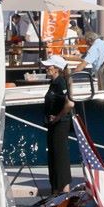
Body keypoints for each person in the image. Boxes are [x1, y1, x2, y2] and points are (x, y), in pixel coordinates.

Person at [42, 55, 76, 195]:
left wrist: (57, 117)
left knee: (60, 156)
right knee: (54, 156)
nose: (46, 68)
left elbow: (70, 103)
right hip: (53, 124)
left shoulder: (60, 82)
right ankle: (55, 189)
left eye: (49, 66)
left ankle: (64, 189)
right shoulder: (54, 83)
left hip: (60, 123)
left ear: (56, 69)